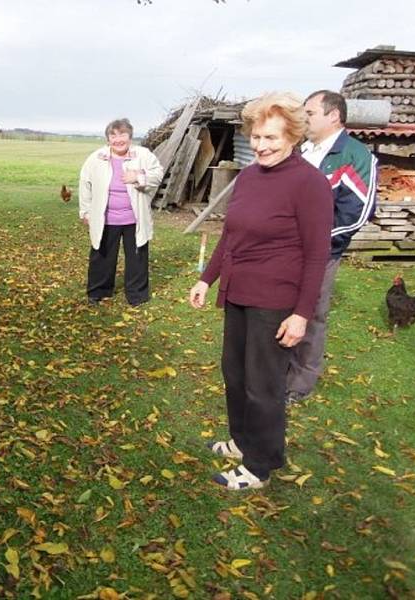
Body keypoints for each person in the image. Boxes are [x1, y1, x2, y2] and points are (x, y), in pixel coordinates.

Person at [189, 92, 333, 490]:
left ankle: (260, 464)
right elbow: (231, 235)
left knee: (263, 384)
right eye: (256, 137)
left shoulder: (309, 183)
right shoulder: (250, 176)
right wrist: (207, 279)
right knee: (234, 374)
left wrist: (301, 314)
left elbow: (317, 255)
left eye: (271, 138)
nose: (261, 146)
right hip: (238, 292)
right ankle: (242, 440)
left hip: (275, 301)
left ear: (292, 136)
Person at [285, 90, 378, 404]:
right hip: (284, 250)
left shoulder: (354, 155)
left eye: (310, 113)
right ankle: (275, 368)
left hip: (321, 253)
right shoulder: (303, 150)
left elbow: (358, 212)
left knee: (310, 316)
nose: (304, 119)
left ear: (334, 115)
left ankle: (298, 383)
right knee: (279, 308)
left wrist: (313, 240)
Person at [79, 118, 163, 306]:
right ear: (108, 139)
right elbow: (85, 183)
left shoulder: (142, 155)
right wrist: (85, 211)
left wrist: (139, 176)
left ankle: (137, 295)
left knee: (137, 258)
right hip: (106, 217)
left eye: (122, 134)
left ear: (130, 136)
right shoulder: (97, 157)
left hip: (134, 218)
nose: (118, 139)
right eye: (113, 135)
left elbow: (158, 174)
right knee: (102, 255)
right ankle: (98, 292)